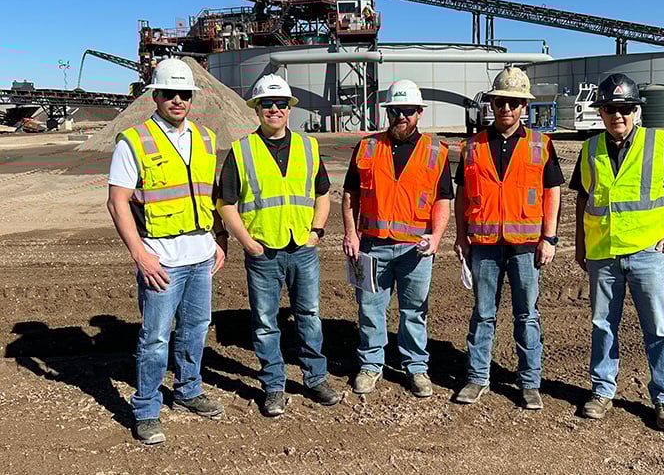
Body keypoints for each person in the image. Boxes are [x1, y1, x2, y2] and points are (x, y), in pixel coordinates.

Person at [570, 73, 664, 431]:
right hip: (603, 254)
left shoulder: (659, 142)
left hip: (649, 253)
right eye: (610, 109)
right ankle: (602, 391)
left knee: (658, 328)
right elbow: (583, 198)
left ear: (636, 111)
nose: (618, 115)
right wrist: (581, 245)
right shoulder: (590, 149)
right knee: (603, 326)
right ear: (601, 112)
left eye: (625, 108)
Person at [107, 58, 227, 445]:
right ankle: (145, 409)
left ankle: (189, 391)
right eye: (169, 93)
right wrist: (139, 254)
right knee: (155, 337)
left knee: (196, 328)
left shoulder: (205, 138)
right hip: (161, 258)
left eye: (184, 94)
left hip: (200, 254)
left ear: (192, 98)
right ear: (155, 96)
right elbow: (117, 202)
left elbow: (210, 195)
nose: (178, 100)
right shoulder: (135, 140)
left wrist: (218, 238)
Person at [216, 74, 338, 417]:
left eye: (280, 104)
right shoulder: (242, 150)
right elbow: (225, 203)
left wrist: (317, 232)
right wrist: (247, 242)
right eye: (267, 104)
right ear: (256, 109)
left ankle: (316, 379)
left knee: (309, 316)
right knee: (266, 322)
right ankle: (273, 386)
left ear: (289, 109)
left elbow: (323, 194)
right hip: (263, 252)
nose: (274, 109)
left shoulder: (308, 147)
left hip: (302, 248)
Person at [453, 67, 564, 409]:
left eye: (514, 103)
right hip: (484, 246)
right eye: (501, 102)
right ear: (492, 103)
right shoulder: (472, 146)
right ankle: (477, 378)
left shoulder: (540, 145)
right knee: (482, 314)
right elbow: (461, 195)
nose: (507, 109)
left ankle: (529, 382)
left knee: (526, 315)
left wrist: (550, 238)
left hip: (525, 248)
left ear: (524, 107)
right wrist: (461, 236)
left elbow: (552, 192)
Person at [342, 79, 452, 398]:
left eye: (408, 110)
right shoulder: (367, 147)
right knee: (369, 309)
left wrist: (436, 236)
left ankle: (416, 366)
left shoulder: (436, 151)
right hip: (372, 245)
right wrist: (350, 233)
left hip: (415, 250)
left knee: (414, 311)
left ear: (419, 112)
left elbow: (443, 200)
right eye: (395, 111)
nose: (401, 116)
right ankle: (370, 364)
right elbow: (350, 194)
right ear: (387, 113)